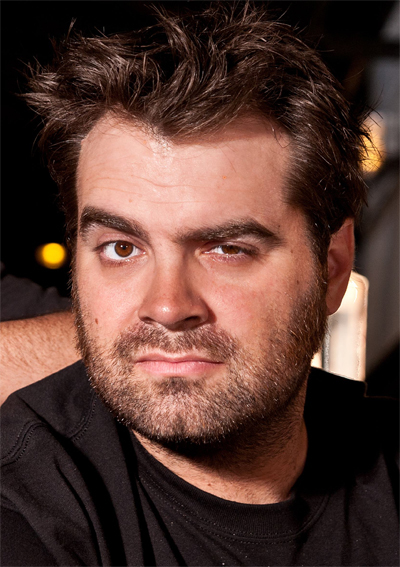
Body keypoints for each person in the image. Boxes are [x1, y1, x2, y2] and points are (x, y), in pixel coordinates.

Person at [1, 3, 398, 566]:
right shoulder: (24, 512)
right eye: (122, 248)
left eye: (227, 249)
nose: (167, 306)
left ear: (332, 268)